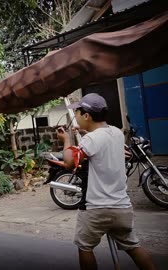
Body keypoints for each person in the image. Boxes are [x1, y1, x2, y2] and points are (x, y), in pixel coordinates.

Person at [57, 93, 156, 270]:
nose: (76, 117)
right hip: (122, 207)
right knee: (133, 247)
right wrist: (84, 133)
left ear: (86, 115)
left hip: (97, 209)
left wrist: (66, 140)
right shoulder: (117, 133)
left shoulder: (91, 139)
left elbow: (69, 162)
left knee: (85, 247)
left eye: (78, 113)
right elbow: (100, 140)